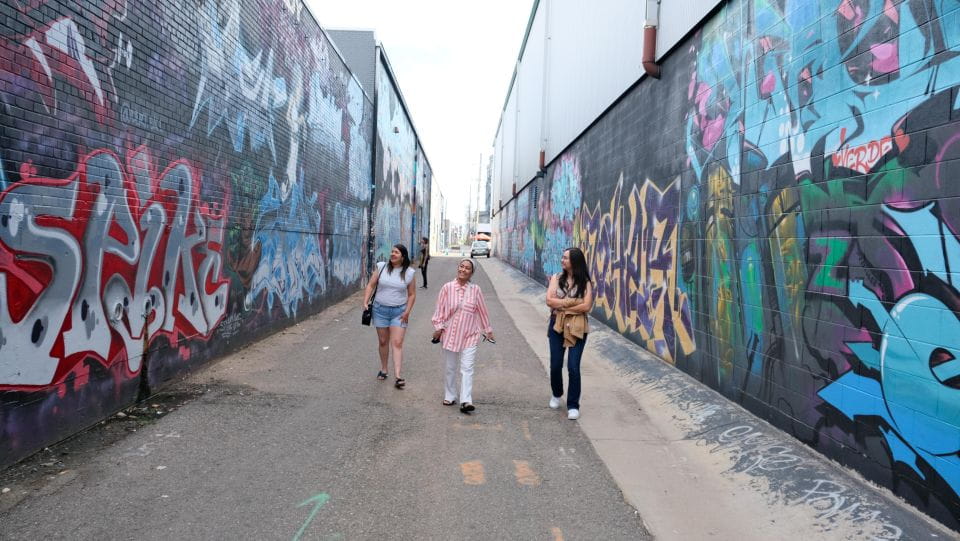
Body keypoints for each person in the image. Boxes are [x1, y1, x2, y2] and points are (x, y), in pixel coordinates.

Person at [431, 259, 494, 414]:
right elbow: (439, 311)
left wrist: (488, 329)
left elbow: (482, 311)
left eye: (467, 268)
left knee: (467, 368)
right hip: (450, 333)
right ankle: (450, 395)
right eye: (461, 266)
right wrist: (438, 327)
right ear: (458, 268)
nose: (463, 270)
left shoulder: (476, 290)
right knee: (450, 367)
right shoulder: (447, 288)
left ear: (471, 273)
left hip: (470, 335)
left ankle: (466, 400)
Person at [545, 247, 594, 420]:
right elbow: (549, 301)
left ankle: (573, 405)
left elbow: (586, 306)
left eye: (565, 258)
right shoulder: (556, 279)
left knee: (573, 367)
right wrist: (574, 302)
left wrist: (562, 304)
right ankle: (557, 393)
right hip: (556, 325)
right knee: (556, 364)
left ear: (574, 261)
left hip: (578, 326)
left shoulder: (585, 282)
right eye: (562, 257)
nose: (562, 260)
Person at [363, 244, 417, 389]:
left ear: (403, 256)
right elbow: (370, 285)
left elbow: (412, 294)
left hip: (399, 312)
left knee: (397, 342)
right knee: (382, 341)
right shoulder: (381, 267)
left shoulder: (409, 273)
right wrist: (366, 301)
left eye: (396, 252)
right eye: (392, 252)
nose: (393, 254)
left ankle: (398, 376)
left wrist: (407, 311)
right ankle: (384, 369)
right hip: (380, 310)